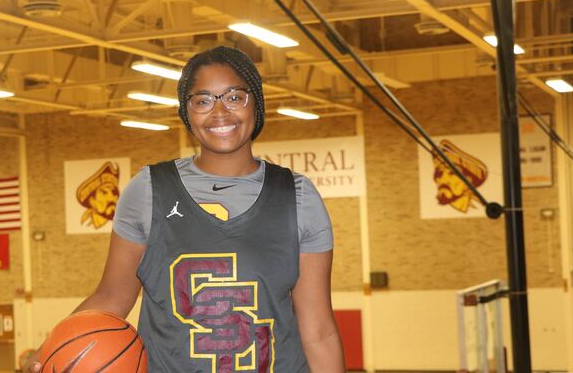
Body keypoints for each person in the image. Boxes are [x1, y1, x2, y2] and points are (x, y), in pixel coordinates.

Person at [25, 46, 345, 372]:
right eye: (203, 101)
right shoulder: (149, 190)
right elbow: (111, 297)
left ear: (256, 103)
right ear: (186, 112)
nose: (220, 112)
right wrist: (46, 352)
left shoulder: (297, 197)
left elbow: (318, 329)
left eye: (234, 97)